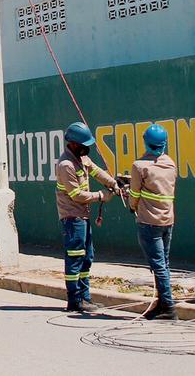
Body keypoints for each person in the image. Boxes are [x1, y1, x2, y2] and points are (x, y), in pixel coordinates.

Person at [55, 121, 118, 313]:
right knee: (75, 257)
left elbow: (97, 171)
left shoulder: (81, 159)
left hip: (83, 216)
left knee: (87, 256)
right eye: (84, 144)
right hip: (72, 217)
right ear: (73, 144)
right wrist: (101, 196)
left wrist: (114, 183)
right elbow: (76, 195)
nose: (87, 148)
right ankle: (74, 300)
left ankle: (85, 296)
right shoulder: (66, 165)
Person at [129, 124, 178, 320]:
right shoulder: (170, 164)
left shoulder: (139, 166)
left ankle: (167, 305)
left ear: (146, 141)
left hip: (149, 222)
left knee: (158, 265)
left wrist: (132, 204)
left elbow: (134, 196)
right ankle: (161, 302)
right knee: (164, 263)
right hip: (168, 221)